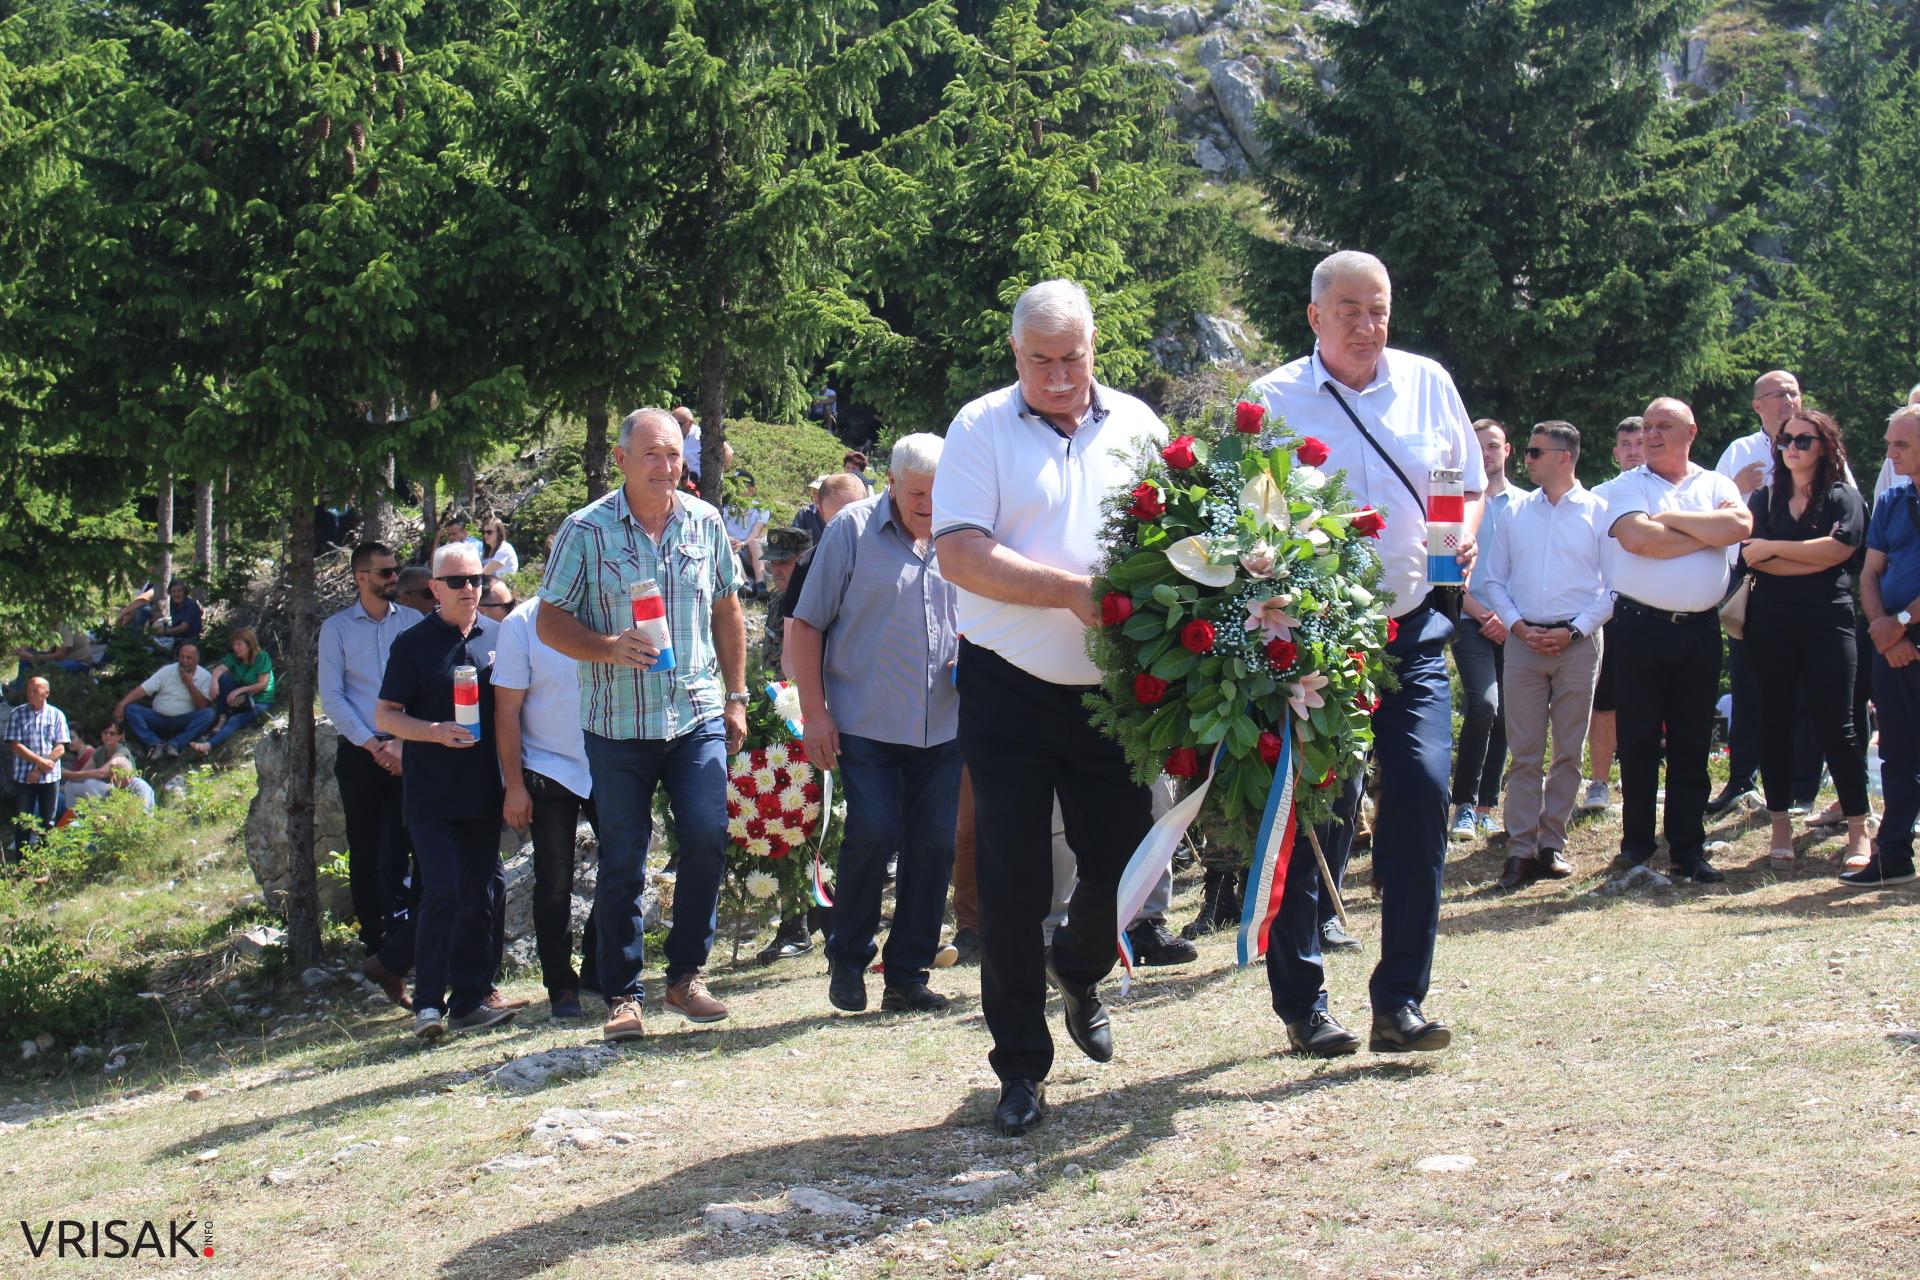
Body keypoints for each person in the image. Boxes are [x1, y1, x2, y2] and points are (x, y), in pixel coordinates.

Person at [932, 278, 1170, 1136]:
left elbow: (1175, 542)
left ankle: (1079, 967)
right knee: (1011, 880)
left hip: (1115, 691)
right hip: (1007, 686)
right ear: (1015, 354)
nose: (1061, 377)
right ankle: (1021, 1070)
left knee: (1124, 861)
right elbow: (959, 552)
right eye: (1042, 362)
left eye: (1074, 358)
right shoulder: (978, 427)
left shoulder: (1141, 426)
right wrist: (1071, 592)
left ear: (1095, 346)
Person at [1246, 250, 1485, 1060]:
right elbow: (1248, 521)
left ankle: (1401, 1002)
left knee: (1420, 798)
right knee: (1314, 815)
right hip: (1313, 641)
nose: (1366, 325)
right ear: (1314, 316)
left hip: (1412, 626)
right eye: (1349, 309)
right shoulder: (1272, 400)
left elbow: (1460, 481)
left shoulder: (1428, 383)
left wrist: (1459, 551)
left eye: (1378, 309)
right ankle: (1304, 1004)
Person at [538, 407, 749, 1042]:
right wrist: (606, 646)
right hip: (618, 723)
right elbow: (550, 622)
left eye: (675, 456)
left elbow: (728, 610)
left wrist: (736, 697)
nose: (665, 467)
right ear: (623, 461)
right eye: (652, 455)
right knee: (625, 858)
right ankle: (622, 996)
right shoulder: (586, 529)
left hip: (696, 713)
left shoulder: (705, 522)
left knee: (709, 836)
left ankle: (685, 978)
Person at [792, 433, 962, 1014]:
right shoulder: (851, 531)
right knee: (873, 831)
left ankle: (908, 973)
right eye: (918, 494)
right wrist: (814, 714)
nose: (931, 506)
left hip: (944, 724)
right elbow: (806, 625)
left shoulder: (964, 531)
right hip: (864, 721)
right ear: (890, 482)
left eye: (941, 493)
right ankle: (848, 954)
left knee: (935, 844)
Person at [1594, 397, 1751, 883]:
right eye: (1647, 426)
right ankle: (1637, 846)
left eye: (1664, 426)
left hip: (1699, 630)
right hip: (1639, 627)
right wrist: (1709, 532)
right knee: (1638, 740)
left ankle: (1688, 848)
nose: (1652, 434)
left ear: (1691, 431)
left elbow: (1742, 526)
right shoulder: (1626, 485)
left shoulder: (1717, 483)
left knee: (1692, 742)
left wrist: (1672, 521)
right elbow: (1642, 541)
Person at [377, 543, 514, 1040]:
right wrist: (432, 731)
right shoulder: (413, 644)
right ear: (434, 588)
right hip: (432, 792)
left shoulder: (499, 636)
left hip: (484, 788)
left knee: (481, 893)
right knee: (441, 891)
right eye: (456, 582)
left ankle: (471, 1000)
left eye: (476, 580)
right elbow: (385, 715)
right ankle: (428, 1006)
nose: (468, 589)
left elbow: (516, 710)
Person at [1477, 422, 1612, 888]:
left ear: (1564, 457)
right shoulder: (1515, 513)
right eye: (1528, 452)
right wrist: (1517, 626)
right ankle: (1519, 850)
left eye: (1535, 453)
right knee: (1525, 752)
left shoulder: (1599, 511)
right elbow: (1493, 579)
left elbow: (1613, 587)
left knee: (1568, 753)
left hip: (1577, 645)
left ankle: (1551, 845)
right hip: (1523, 644)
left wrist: (1575, 631)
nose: (1527, 460)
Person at [1711, 370, 1850, 816]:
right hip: (1753, 583)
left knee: (1811, 693)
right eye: (1778, 395)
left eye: (1794, 392)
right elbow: (1719, 518)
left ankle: (1804, 788)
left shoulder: (1828, 454)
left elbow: (1846, 530)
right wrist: (1746, 492)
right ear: (1758, 406)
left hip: (1818, 591)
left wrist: (1781, 551)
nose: (1789, 400)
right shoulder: (1740, 452)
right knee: (1753, 686)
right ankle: (1742, 781)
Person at [1742, 409, 1873, 869]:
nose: (1792, 448)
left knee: (1837, 723)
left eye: (1803, 440)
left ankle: (1858, 826)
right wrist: (1808, 558)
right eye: (1786, 441)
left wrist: (1777, 548)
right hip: (1771, 622)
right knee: (1775, 722)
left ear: (1825, 447)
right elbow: (1752, 558)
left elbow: (1841, 549)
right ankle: (1780, 826)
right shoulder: (1764, 496)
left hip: (1828, 620)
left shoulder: (1843, 497)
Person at [319, 541, 425, 1007]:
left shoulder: (414, 622)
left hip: (411, 751)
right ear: (361, 576)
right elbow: (333, 696)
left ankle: (411, 947)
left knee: (415, 843)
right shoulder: (336, 629)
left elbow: (425, 686)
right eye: (385, 571)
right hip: (361, 754)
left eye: (396, 570)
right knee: (366, 850)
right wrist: (373, 743)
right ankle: (377, 949)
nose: (393, 578)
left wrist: (403, 742)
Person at [496, 592, 599, 1020]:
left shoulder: (604, 607)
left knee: (623, 867)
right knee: (554, 881)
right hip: (546, 767)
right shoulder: (521, 623)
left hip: (608, 760)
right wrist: (514, 785)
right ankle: (561, 985)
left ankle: (597, 967)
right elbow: (506, 710)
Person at [1853, 404, 1920, 888]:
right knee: (1896, 750)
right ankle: (1893, 855)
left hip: (1903, 633)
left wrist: (1897, 623)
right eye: (1890, 442)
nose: (1890, 452)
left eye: (1901, 444)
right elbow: (1871, 570)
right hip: (1891, 641)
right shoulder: (1893, 501)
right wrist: (1881, 625)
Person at [1450, 419, 1521, 843]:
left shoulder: (1528, 505)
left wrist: (1511, 620)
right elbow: (1446, 576)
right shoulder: (1456, 508)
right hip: (1469, 619)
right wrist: (1482, 615)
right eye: (1479, 448)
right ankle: (1462, 805)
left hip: (1516, 625)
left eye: (1493, 446)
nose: (1487, 454)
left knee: (1510, 714)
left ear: (1508, 449)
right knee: (1485, 704)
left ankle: (1487, 806)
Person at [1580, 416, 1645, 812]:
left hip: (1660, 607)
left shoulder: (1668, 492)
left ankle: (1643, 778)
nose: (1635, 449)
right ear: (1615, 452)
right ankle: (1599, 782)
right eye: (1627, 444)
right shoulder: (1598, 498)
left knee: (1652, 700)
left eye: (1641, 442)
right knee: (1604, 700)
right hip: (1609, 611)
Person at [115, 644, 217, 760]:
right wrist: (122, 704)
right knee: (131, 709)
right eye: (181, 657)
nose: (184, 661)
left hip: (183, 720)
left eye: (189, 658)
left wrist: (189, 683)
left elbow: (202, 706)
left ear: (196, 660)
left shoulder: (204, 676)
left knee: (209, 714)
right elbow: (143, 689)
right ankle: (154, 744)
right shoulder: (167, 670)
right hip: (159, 718)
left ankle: (175, 744)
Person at [6, 677, 70, 848]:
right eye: (29, 690)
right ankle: (22, 868)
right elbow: (15, 745)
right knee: (23, 822)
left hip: (49, 778)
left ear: (46, 693)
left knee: (48, 822)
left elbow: (61, 747)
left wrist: (39, 770)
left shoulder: (57, 714)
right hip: (24, 777)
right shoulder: (17, 713)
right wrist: (40, 762)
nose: (31, 694)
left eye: (35, 690)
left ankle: (44, 865)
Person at [191, 627, 274, 755]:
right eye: (234, 644)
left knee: (235, 720)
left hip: (259, 699)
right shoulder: (234, 657)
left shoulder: (262, 657)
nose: (236, 648)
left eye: (239, 644)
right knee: (222, 679)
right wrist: (214, 683)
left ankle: (208, 745)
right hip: (242, 697)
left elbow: (262, 685)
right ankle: (222, 717)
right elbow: (219, 670)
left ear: (249, 644)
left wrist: (238, 691)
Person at [62, 721, 134, 808]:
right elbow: (83, 773)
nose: (108, 736)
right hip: (104, 790)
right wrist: (70, 776)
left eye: (112, 733)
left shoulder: (122, 751)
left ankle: (96, 818)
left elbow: (102, 773)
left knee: (90, 783)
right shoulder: (100, 751)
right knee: (70, 785)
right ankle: (72, 818)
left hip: (123, 792)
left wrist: (72, 774)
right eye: (105, 732)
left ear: (120, 736)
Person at [724, 471, 770, 600]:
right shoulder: (725, 508)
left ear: (751, 489)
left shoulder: (761, 509)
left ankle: (760, 583)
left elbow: (756, 532)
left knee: (754, 542)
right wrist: (732, 541)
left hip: (749, 549)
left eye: (742, 484)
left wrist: (742, 543)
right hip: (731, 547)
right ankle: (745, 584)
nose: (737, 488)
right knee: (731, 547)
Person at [150, 579, 203, 652]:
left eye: (179, 591)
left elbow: (183, 628)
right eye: (173, 591)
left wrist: (165, 631)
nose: (176, 594)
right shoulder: (174, 604)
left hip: (188, 640)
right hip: (175, 637)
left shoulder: (191, 605)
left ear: (184, 592)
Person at [673, 405, 702, 480]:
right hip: (676, 479)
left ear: (690, 423)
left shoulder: (701, 436)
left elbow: (728, 452)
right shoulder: (670, 434)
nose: (674, 427)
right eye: (672, 422)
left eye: (678, 424)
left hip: (699, 482)